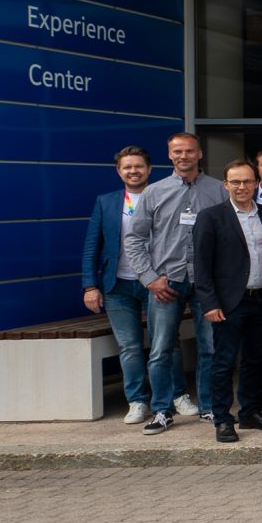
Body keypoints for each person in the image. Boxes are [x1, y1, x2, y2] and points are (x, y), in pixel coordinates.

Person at [123, 132, 224, 431]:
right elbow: (134, 238)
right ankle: (162, 410)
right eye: (177, 152)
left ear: (199, 154)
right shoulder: (154, 192)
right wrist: (149, 278)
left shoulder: (218, 190)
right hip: (166, 283)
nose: (184, 156)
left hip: (206, 282)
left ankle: (208, 406)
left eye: (189, 151)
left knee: (210, 348)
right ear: (169, 155)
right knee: (160, 349)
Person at [189, 159, 262, 443]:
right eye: (236, 182)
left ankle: (250, 412)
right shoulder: (211, 216)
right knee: (224, 362)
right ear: (226, 185)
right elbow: (201, 265)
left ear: (256, 184)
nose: (242, 187)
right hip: (228, 303)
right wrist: (209, 303)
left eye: (247, 181)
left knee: (257, 359)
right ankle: (223, 419)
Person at [81, 146, 155, 425]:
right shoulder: (106, 202)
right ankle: (137, 401)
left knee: (164, 344)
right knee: (130, 347)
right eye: (127, 167)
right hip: (117, 286)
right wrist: (90, 285)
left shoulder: (161, 196)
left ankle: (172, 397)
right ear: (119, 171)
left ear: (148, 169)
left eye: (138, 166)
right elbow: (92, 245)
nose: (133, 171)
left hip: (155, 283)